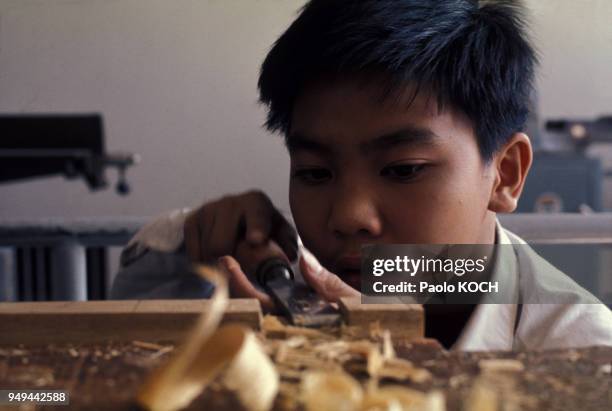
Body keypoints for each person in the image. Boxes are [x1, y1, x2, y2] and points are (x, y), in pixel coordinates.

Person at [111, 0, 612, 350]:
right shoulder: (285, 278)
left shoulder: (584, 354)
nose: (349, 217)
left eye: (403, 170)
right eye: (314, 173)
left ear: (504, 175)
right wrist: (197, 237)